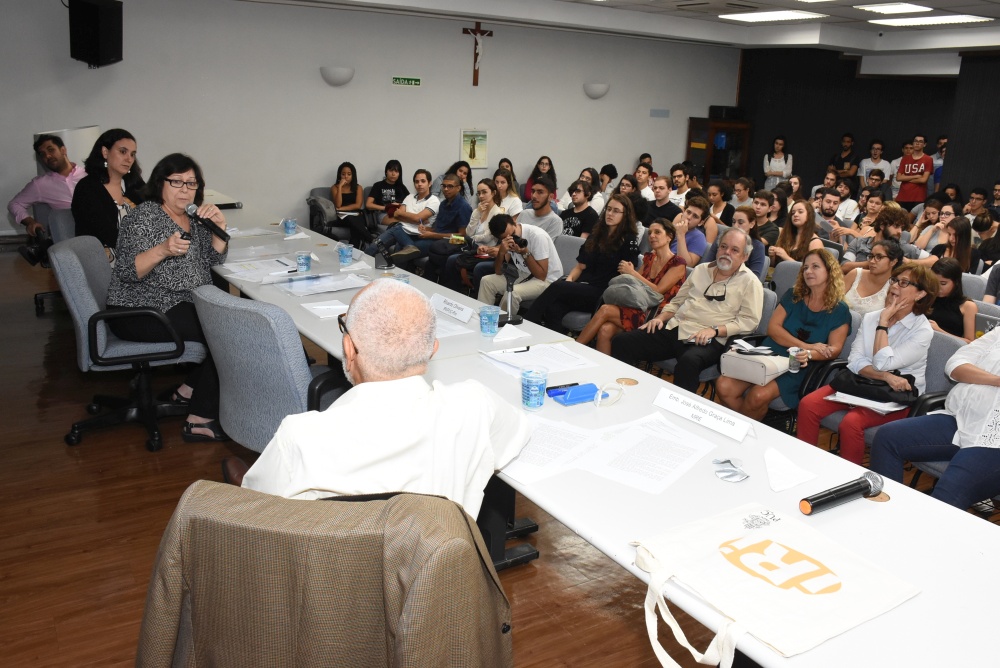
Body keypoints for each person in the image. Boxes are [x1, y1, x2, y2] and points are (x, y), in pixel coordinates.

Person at [242, 279, 530, 519]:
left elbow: (253, 519)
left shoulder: (299, 438)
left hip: (332, 583)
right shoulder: (474, 407)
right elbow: (520, 431)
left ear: (349, 348)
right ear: (433, 350)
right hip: (433, 581)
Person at [106, 153, 229, 442]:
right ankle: (199, 419)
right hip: (138, 309)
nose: (185, 190)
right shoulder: (144, 217)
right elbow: (126, 271)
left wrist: (219, 229)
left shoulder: (192, 218)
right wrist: (162, 249)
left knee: (228, 322)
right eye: (177, 182)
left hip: (178, 302)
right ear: (160, 183)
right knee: (222, 333)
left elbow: (213, 259)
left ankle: (186, 391)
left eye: (191, 183)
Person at [796, 263, 938, 465]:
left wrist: (883, 323)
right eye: (895, 280)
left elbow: (883, 362)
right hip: (863, 382)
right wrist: (886, 376)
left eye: (904, 283)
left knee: (851, 422)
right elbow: (855, 360)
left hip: (896, 395)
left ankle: (849, 481)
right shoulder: (871, 317)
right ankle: (803, 463)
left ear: (920, 294)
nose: (895, 286)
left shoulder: (922, 330)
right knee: (808, 405)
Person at [610, 228, 764, 393]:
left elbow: (749, 322)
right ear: (718, 248)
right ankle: (621, 392)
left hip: (709, 340)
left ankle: (676, 413)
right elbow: (677, 302)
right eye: (723, 246)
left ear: (745, 256)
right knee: (622, 342)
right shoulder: (701, 270)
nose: (726, 252)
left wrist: (715, 330)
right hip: (678, 327)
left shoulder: (750, 282)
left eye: (734, 250)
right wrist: (660, 318)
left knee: (689, 362)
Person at [870, 325, 1000, 511]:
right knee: (887, 437)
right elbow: (955, 365)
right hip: (961, 419)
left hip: (993, 443)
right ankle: (887, 514)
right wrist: (996, 380)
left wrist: (978, 375)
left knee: (947, 494)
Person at [717, 249, 850, 420]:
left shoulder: (840, 310)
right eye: (806, 267)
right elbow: (773, 329)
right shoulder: (794, 295)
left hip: (799, 364)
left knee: (758, 396)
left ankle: (741, 432)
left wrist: (808, 353)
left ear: (830, 271)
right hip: (770, 353)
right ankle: (742, 427)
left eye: (815, 266)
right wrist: (808, 346)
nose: (808, 271)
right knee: (724, 385)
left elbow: (834, 349)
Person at [525, 194, 639, 329]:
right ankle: (554, 345)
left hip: (602, 292)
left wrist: (565, 287)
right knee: (555, 308)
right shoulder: (597, 234)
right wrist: (570, 281)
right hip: (583, 287)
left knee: (557, 287)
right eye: (608, 209)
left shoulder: (628, 240)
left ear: (625, 215)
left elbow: (627, 274)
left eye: (615, 211)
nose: (610, 213)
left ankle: (525, 325)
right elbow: (580, 266)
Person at [575, 218, 687, 355]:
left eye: (657, 232)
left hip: (654, 314)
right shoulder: (649, 258)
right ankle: (605, 372)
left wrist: (632, 272)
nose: (652, 236)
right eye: (650, 232)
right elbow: (634, 283)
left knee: (605, 309)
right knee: (605, 330)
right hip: (636, 306)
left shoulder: (678, 263)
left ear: (669, 236)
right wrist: (629, 275)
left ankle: (574, 349)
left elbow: (658, 291)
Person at [8, 134, 86, 266]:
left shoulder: (89, 174)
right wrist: (30, 222)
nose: (47, 156)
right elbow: (15, 204)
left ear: (63, 150)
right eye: (42, 154)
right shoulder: (41, 184)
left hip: (97, 228)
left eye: (51, 150)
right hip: (69, 234)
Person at [71, 128, 145, 262]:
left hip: (139, 254)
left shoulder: (134, 184)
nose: (129, 159)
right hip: (103, 259)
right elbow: (106, 232)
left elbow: (154, 214)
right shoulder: (87, 187)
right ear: (105, 152)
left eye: (132, 154)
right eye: (123, 152)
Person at [477, 213, 562, 315]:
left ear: (515, 223)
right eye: (506, 238)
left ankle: (501, 324)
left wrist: (524, 252)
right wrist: (501, 252)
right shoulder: (507, 240)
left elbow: (541, 275)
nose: (512, 239)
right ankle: (484, 318)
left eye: (513, 233)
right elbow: (498, 272)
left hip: (548, 280)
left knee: (512, 293)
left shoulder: (538, 236)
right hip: (525, 273)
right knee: (487, 282)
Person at [433, 178, 501, 286]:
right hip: (470, 246)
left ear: (493, 193)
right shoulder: (477, 210)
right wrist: (477, 213)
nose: (481, 196)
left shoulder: (498, 214)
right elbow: (468, 232)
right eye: (479, 193)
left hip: (484, 250)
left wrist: (472, 238)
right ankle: (450, 291)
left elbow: (487, 238)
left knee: (452, 258)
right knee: (443, 252)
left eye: (484, 192)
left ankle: (457, 292)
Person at [364, 169, 440, 264]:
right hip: (401, 229)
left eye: (423, 181)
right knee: (374, 247)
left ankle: (408, 248)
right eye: (417, 182)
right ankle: (360, 268)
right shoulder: (409, 197)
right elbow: (397, 214)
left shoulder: (434, 200)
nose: (419, 184)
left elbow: (414, 217)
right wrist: (416, 219)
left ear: (429, 183)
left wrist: (413, 217)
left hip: (417, 234)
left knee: (399, 253)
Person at [841, 206, 924, 273]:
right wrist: (871, 263)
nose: (900, 231)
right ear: (882, 226)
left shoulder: (902, 247)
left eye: (902, 228)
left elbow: (933, 259)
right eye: (896, 226)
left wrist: (909, 262)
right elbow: (844, 267)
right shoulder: (859, 242)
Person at [842, 238, 905, 314]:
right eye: (871, 256)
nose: (872, 261)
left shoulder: (892, 288)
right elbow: (833, 299)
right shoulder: (855, 274)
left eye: (879, 257)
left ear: (893, 262)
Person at [703, 205, 766, 277]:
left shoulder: (758, 246)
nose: (735, 226)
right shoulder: (721, 238)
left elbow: (754, 277)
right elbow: (707, 265)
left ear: (752, 224)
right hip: (714, 277)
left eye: (740, 222)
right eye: (733, 222)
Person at [928, 257, 977, 342]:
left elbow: (969, 342)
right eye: (934, 282)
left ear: (956, 282)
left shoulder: (968, 306)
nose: (938, 287)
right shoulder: (926, 297)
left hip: (949, 350)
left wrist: (939, 331)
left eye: (943, 283)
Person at [768, 199, 825, 266]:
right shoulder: (785, 235)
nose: (795, 215)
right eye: (793, 213)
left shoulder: (815, 242)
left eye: (800, 212)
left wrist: (786, 257)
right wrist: (772, 256)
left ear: (809, 215)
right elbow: (774, 265)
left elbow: (812, 270)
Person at [517, 174, 563, 239]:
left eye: (540, 192)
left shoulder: (555, 221)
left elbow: (544, 248)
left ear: (550, 197)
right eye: (533, 191)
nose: (534, 196)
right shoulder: (524, 213)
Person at [365, 159, 409, 226]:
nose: (393, 174)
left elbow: (411, 202)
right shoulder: (378, 185)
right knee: (399, 224)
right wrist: (386, 207)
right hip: (383, 214)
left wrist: (399, 205)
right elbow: (368, 204)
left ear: (399, 174)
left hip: (399, 213)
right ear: (386, 172)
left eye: (396, 171)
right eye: (391, 170)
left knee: (411, 222)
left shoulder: (401, 187)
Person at [669, 196, 711, 266]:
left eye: (695, 216)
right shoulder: (671, 228)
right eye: (688, 212)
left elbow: (687, 265)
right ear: (683, 212)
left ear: (700, 222)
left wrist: (681, 235)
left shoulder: (699, 238)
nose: (689, 217)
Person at [329, 161, 364, 245]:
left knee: (355, 224)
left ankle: (352, 250)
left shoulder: (358, 188)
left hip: (355, 214)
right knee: (351, 219)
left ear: (353, 176)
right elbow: (338, 204)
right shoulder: (334, 188)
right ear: (339, 175)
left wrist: (341, 209)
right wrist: (340, 187)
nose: (346, 177)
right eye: (343, 174)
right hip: (341, 216)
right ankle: (372, 240)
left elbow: (358, 205)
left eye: (349, 174)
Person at [896, 134, 934, 212]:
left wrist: (905, 178)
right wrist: (916, 176)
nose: (917, 143)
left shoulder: (928, 159)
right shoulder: (905, 159)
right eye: (915, 141)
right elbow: (898, 178)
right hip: (903, 195)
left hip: (918, 196)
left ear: (924, 144)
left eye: (920, 142)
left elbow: (923, 180)